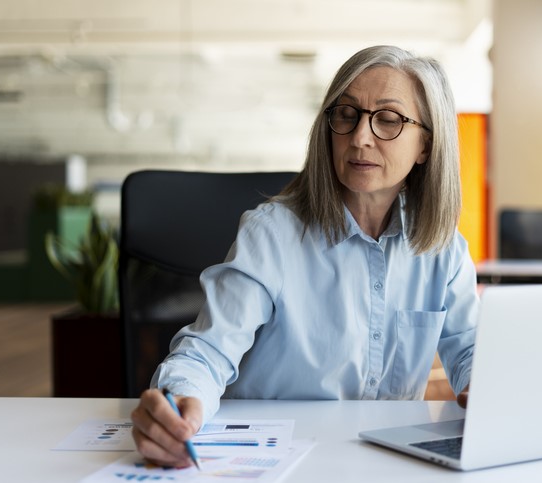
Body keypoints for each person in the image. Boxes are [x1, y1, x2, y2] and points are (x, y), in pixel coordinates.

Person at [131, 45, 479, 468]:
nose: (359, 137)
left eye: (388, 119)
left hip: (384, 459)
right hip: (275, 458)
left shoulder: (442, 247)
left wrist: (485, 384)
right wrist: (179, 402)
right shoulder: (272, 234)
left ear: (426, 144)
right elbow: (208, 352)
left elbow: (469, 349)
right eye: (346, 115)